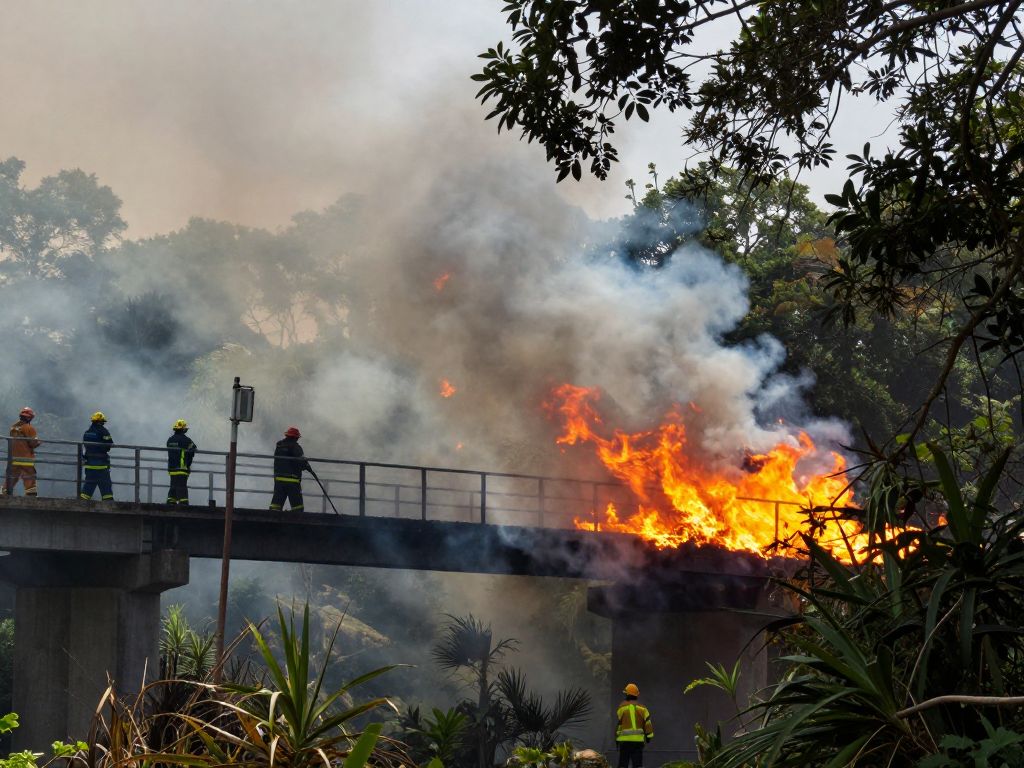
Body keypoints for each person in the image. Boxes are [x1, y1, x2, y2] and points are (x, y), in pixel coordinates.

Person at [270, 426, 309, 512]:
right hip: (293, 481)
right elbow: (302, 463)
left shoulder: (279, 445)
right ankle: (297, 524)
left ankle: (271, 522)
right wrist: (307, 465)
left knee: (275, 506)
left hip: (279, 480)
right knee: (298, 508)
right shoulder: (296, 447)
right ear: (296, 438)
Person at [4, 407, 41, 497]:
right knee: (29, 475)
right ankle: (30, 495)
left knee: (12, 476)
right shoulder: (29, 428)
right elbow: (33, 443)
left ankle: (5, 492)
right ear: (29, 418)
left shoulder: (13, 428)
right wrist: (39, 442)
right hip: (25, 458)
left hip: (13, 458)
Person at [615, 683, 653, 768]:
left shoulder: (621, 708)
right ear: (636, 695)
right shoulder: (643, 709)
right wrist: (649, 737)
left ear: (627, 694)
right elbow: (648, 724)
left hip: (624, 742)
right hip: (638, 742)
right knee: (637, 765)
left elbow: (620, 724)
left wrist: (617, 738)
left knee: (623, 765)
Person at [80, 411, 114, 501]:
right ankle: (109, 504)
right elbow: (109, 445)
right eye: (103, 422)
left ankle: (82, 504)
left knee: (88, 486)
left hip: (90, 465)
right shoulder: (104, 431)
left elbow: (85, 447)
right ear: (101, 422)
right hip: (102, 466)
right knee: (106, 486)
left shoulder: (87, 433)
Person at [166, 419, 197, 505]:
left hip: (172, 468)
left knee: (173, 485)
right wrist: (189, 463)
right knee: (182, 486)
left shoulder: (170, 440)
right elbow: (193, 448)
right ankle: (184, 503)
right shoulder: (186, 440)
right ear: (183, 429)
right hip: (182, 467)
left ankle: (171, 501)